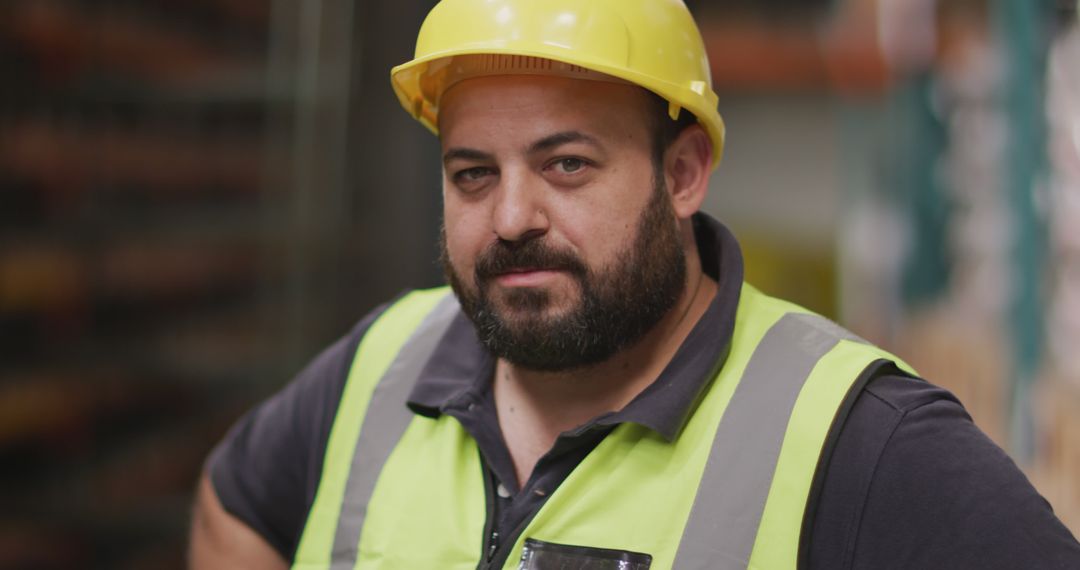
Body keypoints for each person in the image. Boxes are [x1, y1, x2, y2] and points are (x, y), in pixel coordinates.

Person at [188, 1, 1080, 568]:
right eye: (471, 175)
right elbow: (234, 506)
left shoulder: (851, 438)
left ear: (684, 172)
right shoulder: (384, 364)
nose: (510, 218)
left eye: (566, 164)